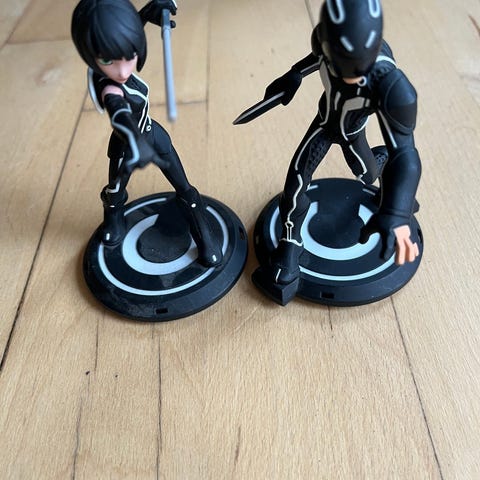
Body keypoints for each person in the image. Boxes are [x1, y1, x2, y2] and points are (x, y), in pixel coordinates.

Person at [258, 0, 421, 285]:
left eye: (356, 74)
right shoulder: (325, 41)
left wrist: (397, 210)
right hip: (323, 125)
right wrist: (293, 75)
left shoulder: (391, 85)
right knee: (295, 185)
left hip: (353, 132)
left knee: (367, 175)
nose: (348, 78)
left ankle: (380, 162)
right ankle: (291, 243)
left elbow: (406, 154)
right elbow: (316, 57)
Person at [71, 0, 222, 267]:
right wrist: (135, 141)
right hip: (126, 146)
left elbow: (121, 39)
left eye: (130, 56)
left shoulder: (118, 53)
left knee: (183, 184)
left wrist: (145, 13)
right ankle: (113, 218)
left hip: (152, 132)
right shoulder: (108, 86)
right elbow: (119, 113)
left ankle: (201, 228)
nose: (122, 71)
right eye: (107, 60)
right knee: (115, 190)